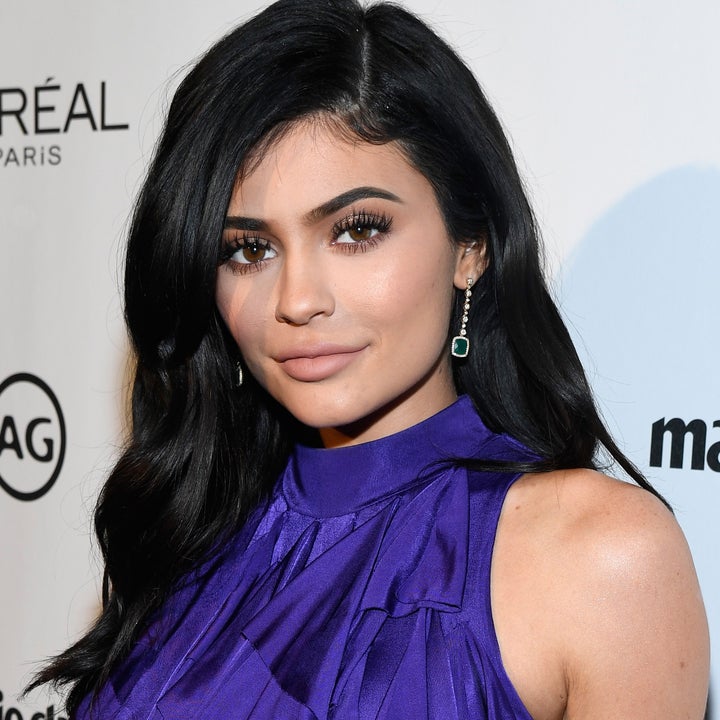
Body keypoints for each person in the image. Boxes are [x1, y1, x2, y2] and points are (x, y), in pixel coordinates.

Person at [30, 0, 709, 717]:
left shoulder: (601, 559)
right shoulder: (184, 535)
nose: (298, 300)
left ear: (471, 247)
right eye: (250, 248)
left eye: (356, 230)